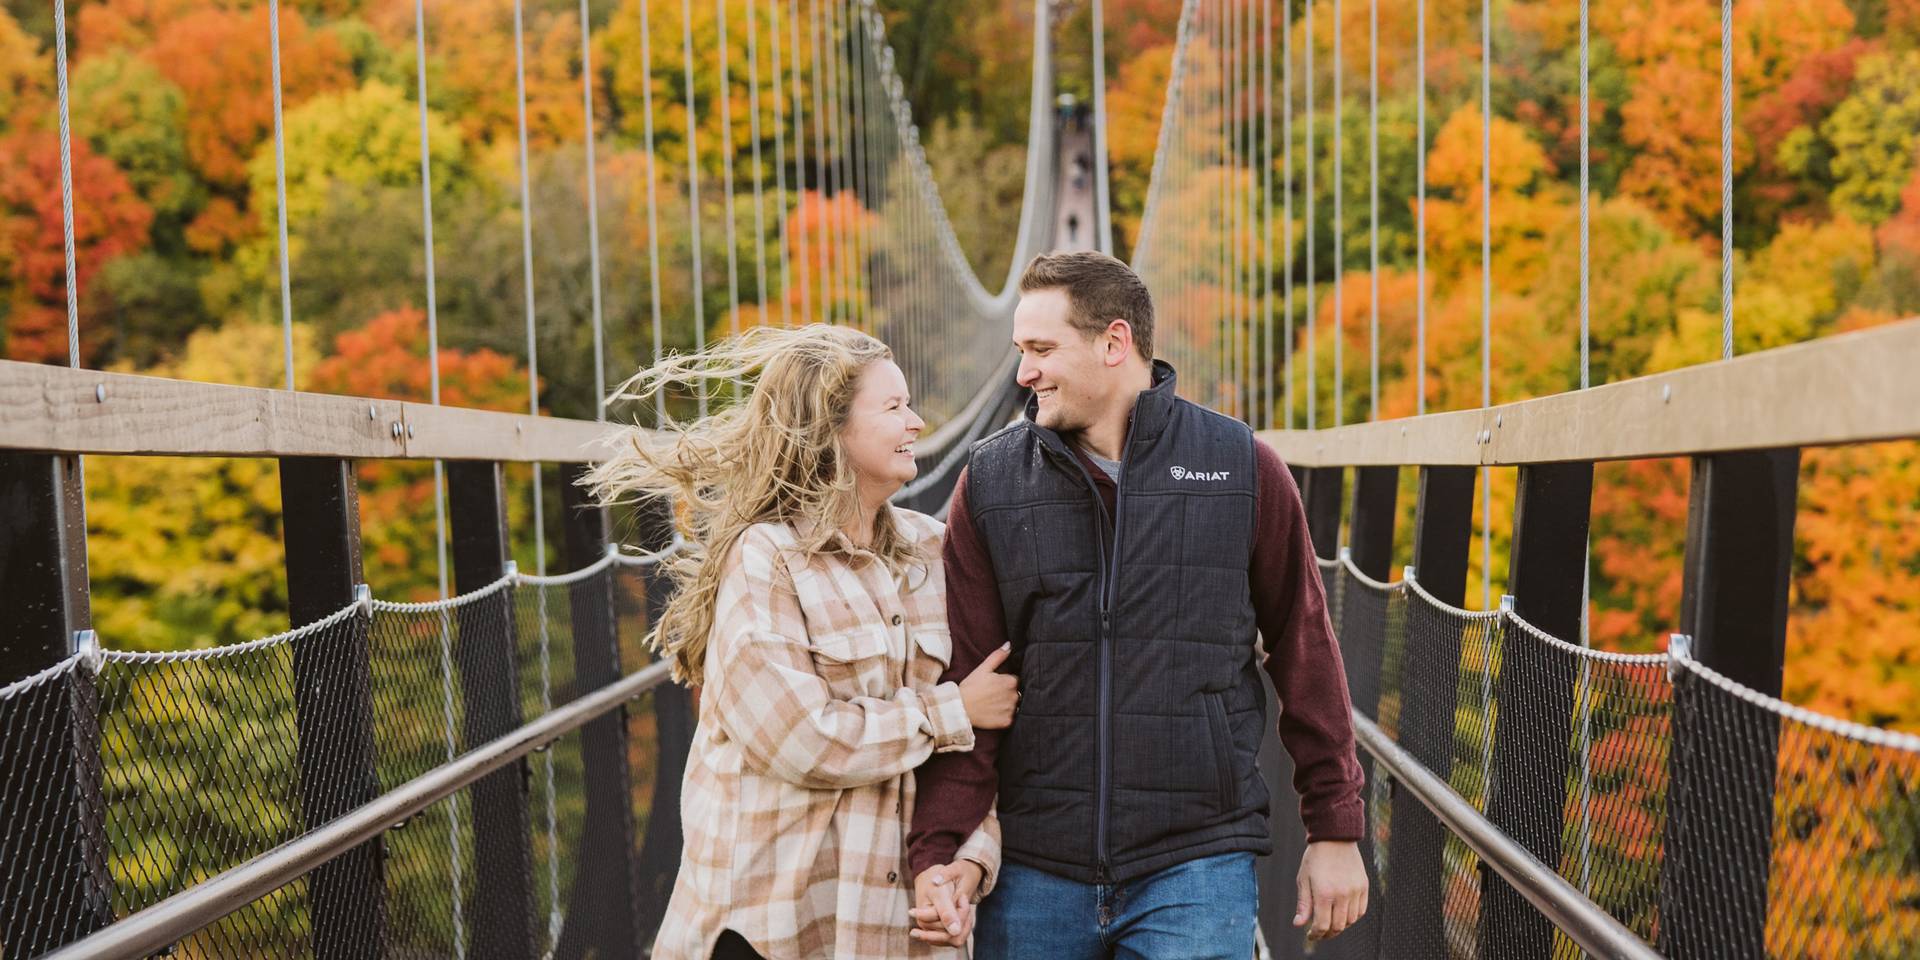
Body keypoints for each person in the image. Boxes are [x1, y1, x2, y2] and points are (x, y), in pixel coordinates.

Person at [905, 251, 1371, 958]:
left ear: (1114, 342)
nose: (1023, 373)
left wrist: (1334, 828)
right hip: (1035, 869)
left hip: (1196, 863)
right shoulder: (991, 483)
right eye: (1019, 351)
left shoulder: (1241, 467)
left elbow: (1305, 647)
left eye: (1041, 349)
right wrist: (939, 851)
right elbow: (971, 680)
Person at [588, 324, 1020, 959]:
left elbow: (978, 753)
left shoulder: (936, 551)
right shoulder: (766, 561)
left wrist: (968, 866)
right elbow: (800, 739)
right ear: (831, 429)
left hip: (893, 933)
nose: (919, 423)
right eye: (895, 407)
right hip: (770, 929)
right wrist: (951, 709)